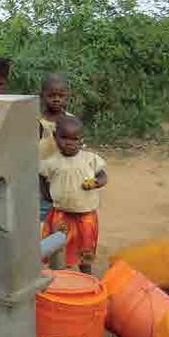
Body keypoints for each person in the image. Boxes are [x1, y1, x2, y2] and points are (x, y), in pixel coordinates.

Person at [40, 115, 108, 274]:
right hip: (61, 213)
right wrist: (46, 195)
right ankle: (60, 274)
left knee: (86, 245)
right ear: (56, 138)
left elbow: (103, 175)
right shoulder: (52, 162)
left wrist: (97, 182)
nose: (69, 143)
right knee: (58, 245)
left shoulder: (90, 159)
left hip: (86, 214)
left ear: (81, 139)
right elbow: (42, 178)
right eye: (64, 138)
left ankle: (86, 272)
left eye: (75, 139)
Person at [38, 73, 71, 220]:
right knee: (41, 219)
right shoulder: (36, 121)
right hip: (40, 181)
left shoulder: (71, 121)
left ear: (67, 97)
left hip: (64, 180)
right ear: (42, 96)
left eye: (61, 95)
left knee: (63, 221)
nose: (56, 99)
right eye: (51, 95)